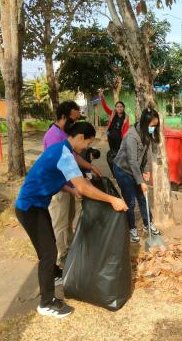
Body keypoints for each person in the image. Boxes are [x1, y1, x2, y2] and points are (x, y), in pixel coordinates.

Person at [15, 122, 128, 318]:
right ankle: (46, 302)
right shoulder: (64, 154)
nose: (86, 148)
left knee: (48, 247)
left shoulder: (62, 149)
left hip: (37, 206)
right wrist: (112, 199)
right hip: (29, 208)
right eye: (87, 143)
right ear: (80, 137)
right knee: (48, 253)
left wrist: (70, 188)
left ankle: (56, 275)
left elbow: (51, 177)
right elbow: (84, 187)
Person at [43, 101, 103, 268]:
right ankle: (60, 258)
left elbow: (74, 156)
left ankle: (68, 250)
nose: (74, 124)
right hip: (59, 187)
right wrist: (111, 199)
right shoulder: (55, 136)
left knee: (68, 220)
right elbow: (67, 162)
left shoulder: (63, 134)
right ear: (63, 117)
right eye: (73, 120)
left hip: (68, 186)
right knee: (60, 223)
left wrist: (89, 166)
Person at [112, 107, 162, 243]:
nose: (153, 128)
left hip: (135, 169)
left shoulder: (146, 133)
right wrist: (141, 182)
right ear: (145, 124)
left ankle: (148, 224)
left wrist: (146, 170)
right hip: (123, 170)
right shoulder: (131, 136)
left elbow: (145, 154)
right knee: (131, 201)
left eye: (155, 126)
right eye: (152, 126)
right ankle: (131, 228)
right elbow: (132, 162)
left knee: (143, 198)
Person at [99, 92, 130, 172]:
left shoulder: (126, 117)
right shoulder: (112, 113)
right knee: (112, 153)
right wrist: (102, 97)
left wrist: (125, 139)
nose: (119, 108)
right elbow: (105, 107)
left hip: (120, 138)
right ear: (115, 108)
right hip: (111, 137)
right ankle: (115, 168)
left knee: (120, 153)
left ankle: (121, 168)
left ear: (123, 108)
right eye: (117, 107)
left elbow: (126, 129)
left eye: (121, 107)